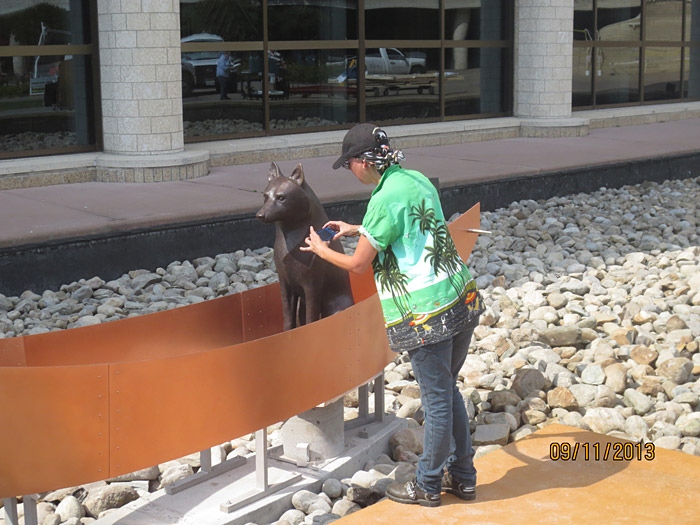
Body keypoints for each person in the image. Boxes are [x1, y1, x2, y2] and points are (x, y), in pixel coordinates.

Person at [301, 123, 484, 507]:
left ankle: (428, 485)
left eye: (348, 164)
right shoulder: (415, 179)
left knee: (436, 402)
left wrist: (319, 249)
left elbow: (356, 264)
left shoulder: (382, 201)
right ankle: (464, 477)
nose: (350, 171)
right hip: (459, 296)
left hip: (426, 313)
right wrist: (359, 228)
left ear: (363, 162)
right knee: (448, 390)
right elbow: (409, 226)